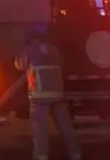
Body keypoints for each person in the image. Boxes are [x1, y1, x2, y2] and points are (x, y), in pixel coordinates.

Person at [14, 27, 81, 160]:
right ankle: (75, 154)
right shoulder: (54, 50)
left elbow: (19, 64)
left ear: (29, 39)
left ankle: (41, 156)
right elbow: (61, 65)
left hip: (39, 96)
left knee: (40, 129)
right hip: (57, 95)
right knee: (65, 127)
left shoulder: (29, 50)